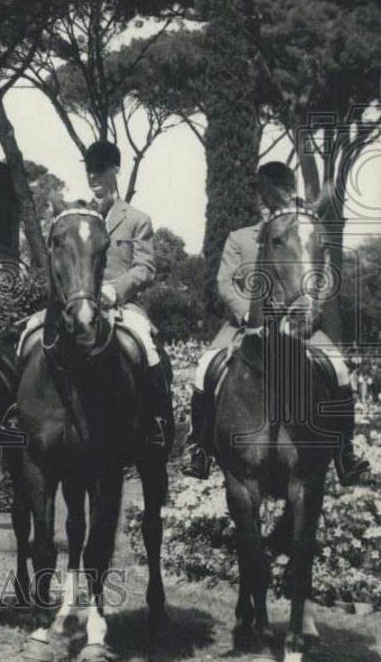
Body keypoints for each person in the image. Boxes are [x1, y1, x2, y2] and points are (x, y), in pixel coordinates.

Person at [183, 162, 369, 484]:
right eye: (267, 192)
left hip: (300, 324)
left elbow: (320, 278)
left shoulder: (304, 233)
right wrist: (247, 315)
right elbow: (225, 282)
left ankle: (345, 452)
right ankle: (198, 447)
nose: (272, 198)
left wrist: (309, 309)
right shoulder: (240, 238)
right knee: (204, 367)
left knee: (338, 367)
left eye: (281, 190)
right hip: (244, 327)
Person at [84, 140, 172, 447]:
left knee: (146, 346)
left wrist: (115, 289)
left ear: (115, 170)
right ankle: (20, 415)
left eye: (100, 169)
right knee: (35, 334)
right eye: (89, 169)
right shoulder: (78, 216)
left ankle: (154, 423)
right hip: (78, 301)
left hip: (121, 305)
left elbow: (145, 267)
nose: (93, 176)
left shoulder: (136, 219)